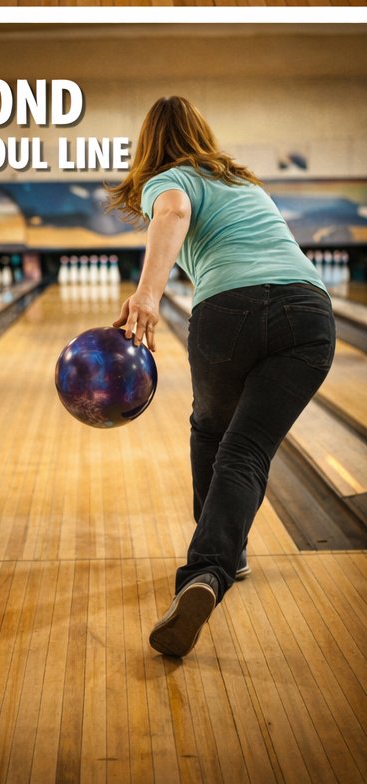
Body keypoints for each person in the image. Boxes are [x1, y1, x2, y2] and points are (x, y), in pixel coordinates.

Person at [106, 96, 335, 658]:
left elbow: (174, 214)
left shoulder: (167, 180)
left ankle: (209, 571)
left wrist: (147, 294)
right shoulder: (246, 183)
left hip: (227, 314)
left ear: (147, 148)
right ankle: (222, 558)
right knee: (247, 449)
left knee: (212, 431)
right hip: (308, 314)